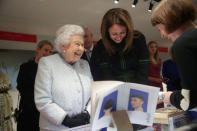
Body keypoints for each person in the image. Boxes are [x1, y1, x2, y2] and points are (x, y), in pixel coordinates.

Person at [34, 24, 93, 131]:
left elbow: (93, 94)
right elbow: (42, 99)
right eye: (77, 44)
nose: (81, 48)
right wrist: (65, 119)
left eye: (82, 45)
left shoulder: (85, 65)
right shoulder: (47, 63)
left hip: (83, 127)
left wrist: (87, 113)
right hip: (55, 128)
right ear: (63, 46)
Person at [151, 0, 197, 111]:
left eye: (160, 29)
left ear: (168, 22)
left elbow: (189, 101)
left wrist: (169, 97)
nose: (162, 35)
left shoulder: (182, 44)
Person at [91, 8, 149, 84]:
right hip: (112, 89)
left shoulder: (138, 39)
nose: (118, 37)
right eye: (114, 34)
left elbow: (143, 69)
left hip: (137, 88)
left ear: (128, 29)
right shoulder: (100, 46)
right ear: (106, 31)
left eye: (122, 32)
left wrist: (138, 89)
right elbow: (101, 74)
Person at [16, 40, 53, 131]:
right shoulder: (25, 67)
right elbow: (22, 88)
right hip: (29, 110)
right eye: (46, 50)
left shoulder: (51, 70)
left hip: (45, 111)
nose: (48, 53)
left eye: (50, 52)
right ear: (38, 49)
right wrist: (38, 102)